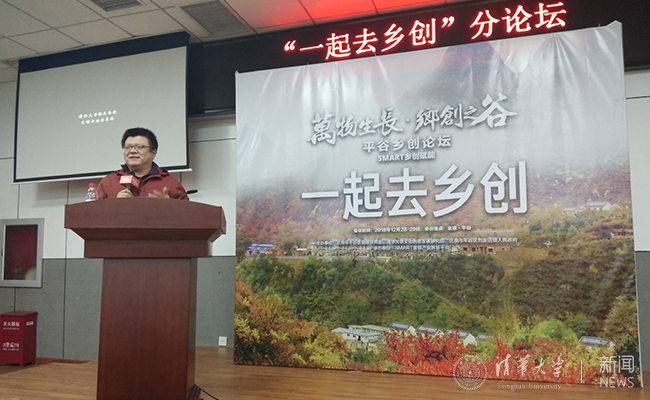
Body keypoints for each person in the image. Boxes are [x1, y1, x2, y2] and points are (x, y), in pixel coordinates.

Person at [96, 127, 189, 200]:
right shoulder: (109, 182)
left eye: (139, 147)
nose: (132, 151)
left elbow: (187, 214)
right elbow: (95, 213)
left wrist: (170, 206)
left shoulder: (169, 183)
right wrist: (113, 204)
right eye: (128, 147)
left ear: (153, 153)